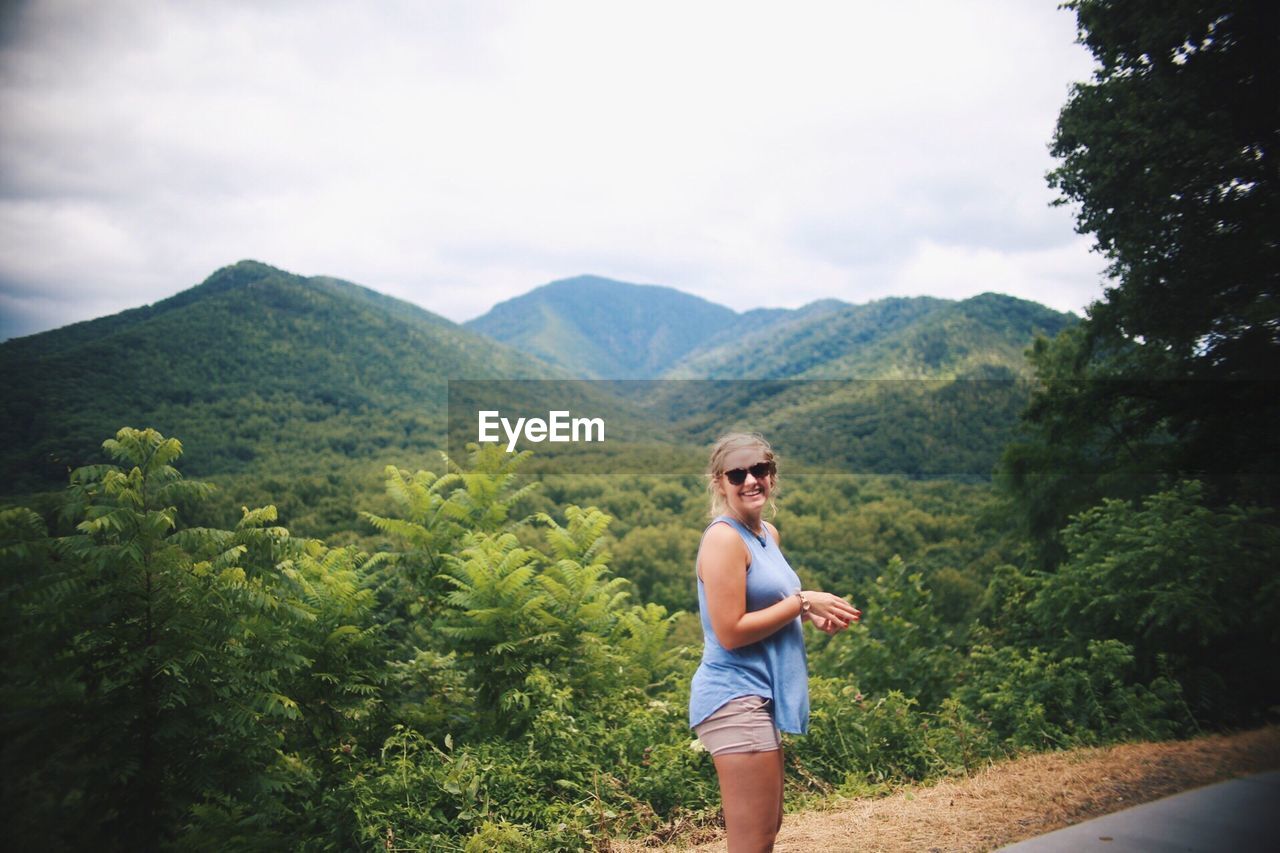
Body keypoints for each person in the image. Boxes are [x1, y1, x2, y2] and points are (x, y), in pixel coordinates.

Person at [689, 432, 861, 852]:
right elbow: (729, 632)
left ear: (772, 475)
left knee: (766, 830)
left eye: (759, 470)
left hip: (758, 696)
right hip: (733, 696)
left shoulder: (767, 533)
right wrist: (803, 599)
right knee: (753, 841)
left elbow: (766, 606)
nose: (751, 480)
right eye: (737, 473)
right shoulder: (723, 538)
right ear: (719, 482)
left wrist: (806, 612)